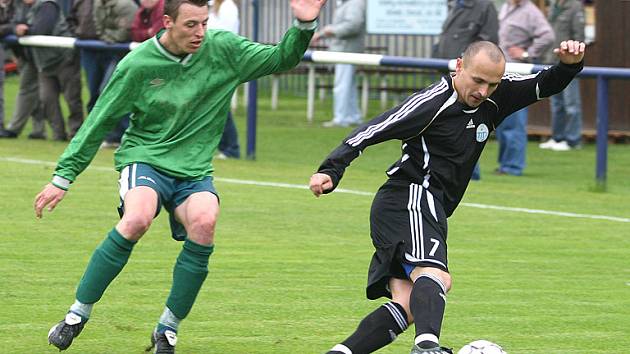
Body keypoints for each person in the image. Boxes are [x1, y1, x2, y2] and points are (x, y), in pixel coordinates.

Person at [35, 0, 325, 352]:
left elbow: (282, 58)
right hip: (146, 158)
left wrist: (303, 25)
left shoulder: (224, 49)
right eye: (191, 25)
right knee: (137, 218)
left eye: (204, 23)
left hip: (194, 169)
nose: (200, 33)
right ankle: (76, 316)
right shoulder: (139, 64)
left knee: (205, 223)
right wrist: (63, 177)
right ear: (167, 21)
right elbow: (98, 121)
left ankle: (167, 329)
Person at [309, 39, 585, 354]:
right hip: (410, 196)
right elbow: (373, 129)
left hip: (428, 206)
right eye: (477, 80)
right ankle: (427, 348)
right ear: (459, 66)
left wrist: (569, 65)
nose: (483, 91)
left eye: (492, 84)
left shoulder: (496, 99)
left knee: (410, 304)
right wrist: (331, 169)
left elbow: (544, 84)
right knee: (435, 275)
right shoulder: (431, 103)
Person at [432, 0, 499, 180]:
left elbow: (489, 43)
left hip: (471, 78)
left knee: (467, 125)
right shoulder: (456, 4)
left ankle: (470, 173)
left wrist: (471, 68)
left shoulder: (484, 7)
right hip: (452, 72)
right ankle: (454, 171)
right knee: (448, 124)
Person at [496, 0, 554, 175]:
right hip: (502, 70)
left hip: (517, 71)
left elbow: (548, 36)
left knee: (514, 122)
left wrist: (527, 53)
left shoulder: (530, 11)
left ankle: (513, 166)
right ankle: (505, 164)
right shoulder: (507, 6)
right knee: (503, 121)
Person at [19, 0, 84, 141]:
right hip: (44, 64)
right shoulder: (26, 8)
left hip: (63, 58)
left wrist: (24, 30)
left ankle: (76, 133)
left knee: (72, 99)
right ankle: (58, 134)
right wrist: (16, 28)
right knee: (47, 100)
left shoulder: (48, 5)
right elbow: (12, 24)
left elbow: (42, 29)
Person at [539, 0, 585, 151]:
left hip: (569, 62)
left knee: (571, 104)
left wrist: (575, 58)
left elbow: (579, 35)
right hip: (552, 60)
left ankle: (573, 140)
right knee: (556, 104)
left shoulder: (575, 6)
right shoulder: (553, 5)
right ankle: (557, 138)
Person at [312, 0, 365, 128]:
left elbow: (353, 25)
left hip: (346, 50)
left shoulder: (354, 3)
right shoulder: (348, 4)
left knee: (342, 86)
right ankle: (353, 116)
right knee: (349, 86)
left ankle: (341, 118)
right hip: (345, 50)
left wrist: (330, 30)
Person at [208, 0, 241, 159]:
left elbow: (224, 36)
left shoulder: (228, 6)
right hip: (211, 61)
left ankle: (231, 148)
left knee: (220, 105)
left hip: (220, 62)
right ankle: (226, 147)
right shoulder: (212, 6)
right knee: (215, 105)